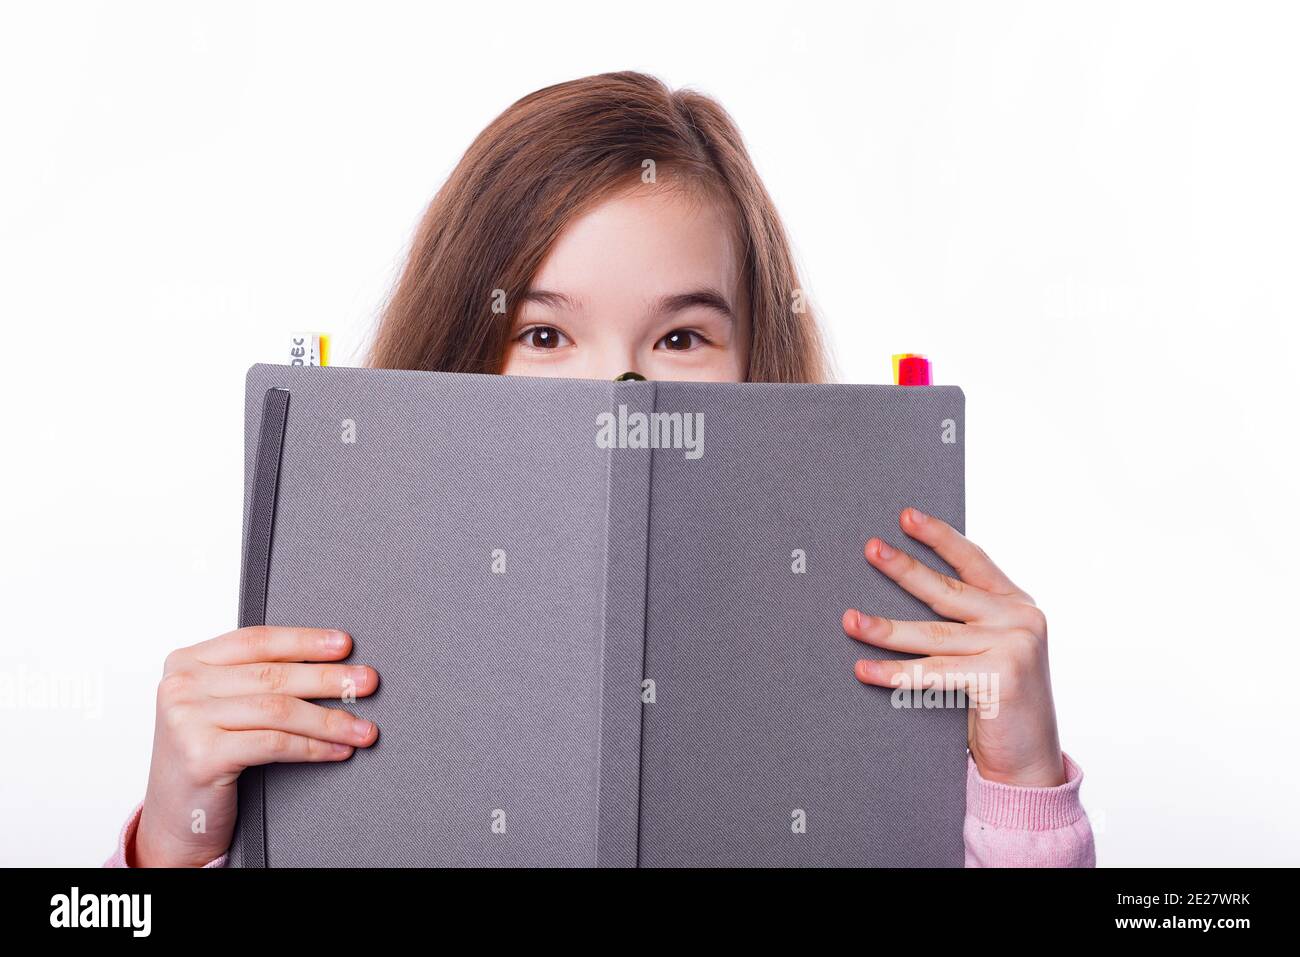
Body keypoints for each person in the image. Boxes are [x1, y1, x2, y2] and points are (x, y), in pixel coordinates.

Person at [108, 72, 1094, 868]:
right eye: (543, 332)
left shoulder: (889, 647)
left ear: (760, 364)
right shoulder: (329, 636)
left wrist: (1021, 790)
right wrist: (177, 846)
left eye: (679, 335)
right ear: (458, 352)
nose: (616, 387)